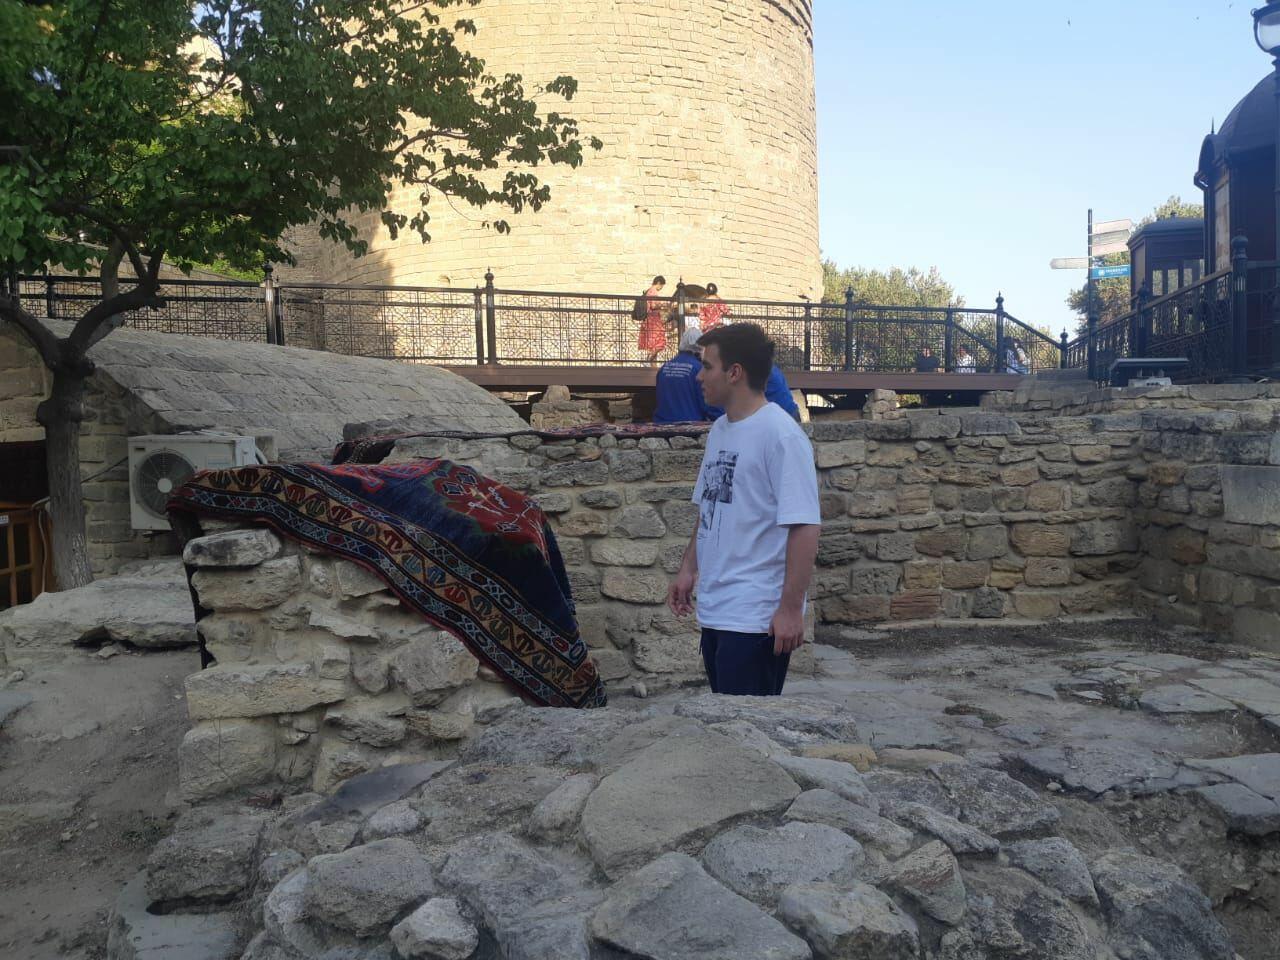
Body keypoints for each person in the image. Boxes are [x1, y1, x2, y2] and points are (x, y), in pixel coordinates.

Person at [667, 322, 821, 697]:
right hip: (717, 612)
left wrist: (790, 610)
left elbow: (805, 526)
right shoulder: (721, 429)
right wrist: (688, 569)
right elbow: (710, 505)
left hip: (755, 620)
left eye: (707, 366)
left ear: (734, 372)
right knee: (722, 727)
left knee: (746, 730)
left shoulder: (781, 435)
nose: (698, 376)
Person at [653, 326, 724, 423]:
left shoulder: (663, 369)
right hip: (689, 424)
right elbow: (709, 402)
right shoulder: (699, 369)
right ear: (701, 347)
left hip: (662, 423)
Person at [637, 275, 668, 364]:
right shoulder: (653, 291)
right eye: (661, 286)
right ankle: (649, 359)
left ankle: (652, 364)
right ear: (658, 283)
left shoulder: (648, 291)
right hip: (653, 320)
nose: (661, 288)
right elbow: (653, 305)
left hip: (649, 320)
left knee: (653, 344)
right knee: (660, 341)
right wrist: (664, 304)